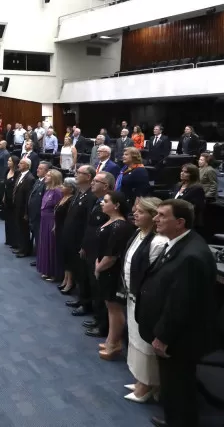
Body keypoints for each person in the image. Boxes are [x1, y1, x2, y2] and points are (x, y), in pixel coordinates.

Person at [137, 199, 216, 427]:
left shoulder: (191, 256)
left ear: (180, 222)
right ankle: (174, 420)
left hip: (179, 339)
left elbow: (181, 304)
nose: (155, 219)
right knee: (173, 387)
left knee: (179, 387)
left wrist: (162, 337)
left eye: (162, 215)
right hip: (175, 336)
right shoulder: (179, 242)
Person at [122, 197, 168, 403]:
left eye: (140, 212)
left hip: (145, 300)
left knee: (144, 343)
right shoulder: (138, 233)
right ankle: (140, 378)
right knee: (134, 339)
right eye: (134, 211)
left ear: (152, 216)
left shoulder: (158, 242)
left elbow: (153, 277)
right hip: (132, 295)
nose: (135, 215)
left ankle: (148, 384)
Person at [73, 170, 114, 340]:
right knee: (92, 284)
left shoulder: (109, 203)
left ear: (106, 186)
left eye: (96, 181)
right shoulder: (97, 200)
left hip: (100, 252)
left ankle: (103, 325)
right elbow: (90, 228)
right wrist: (84, 246)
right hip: (90, 249)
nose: (93, 184)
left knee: (100, 289)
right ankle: (97, 319)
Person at [95, 191, 133, 360]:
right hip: (104, 268)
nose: (102, 203)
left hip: (111, 271)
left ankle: (115, 343)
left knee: (114, 308)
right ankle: (111, 339)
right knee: (109, 306)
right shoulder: (110, 221)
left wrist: (99, 267)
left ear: (116, 205)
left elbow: (112, 255)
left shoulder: (120, 225)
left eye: (106, 201)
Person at [63, 166, 96, 303]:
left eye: (79, 173)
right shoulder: (79, 192)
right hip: (71, 238)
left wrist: (84, 244)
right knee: (75, 269)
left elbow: (89, 222)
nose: (75, 175)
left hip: (80, 240)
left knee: (82, 272)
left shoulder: (91, 196)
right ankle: (80, 298)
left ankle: (84, 302)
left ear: (88, 177)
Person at [37, 168, 64, 282]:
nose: (45, 177)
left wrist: (55, 224)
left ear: (54, 178)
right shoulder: (48, 189)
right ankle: (46, 269)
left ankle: (53, 273)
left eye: (48, 176)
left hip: (51, 221)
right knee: (44, 244)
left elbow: (59, 210)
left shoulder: (58, 192)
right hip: (44, 221)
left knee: (50, 246)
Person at [24, 162, 50, 261]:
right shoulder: (38, 181)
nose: (37, 170)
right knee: (36, 236)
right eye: (38, 168)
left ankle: (41, 259)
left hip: (39, 215)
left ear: (47, 171)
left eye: (41, 169)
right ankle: (39, 257)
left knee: (40, 238)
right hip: (33, 214)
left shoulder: (45, 184)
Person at [54, 177, 76, 293]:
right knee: (63, 255)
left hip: (66, 229)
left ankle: (70, 281)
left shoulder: (71, 200)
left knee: (68, 256)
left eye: (64, 185)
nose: (61, 186)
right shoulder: (63, 197)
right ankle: (65, 278)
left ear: (71, 189)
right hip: (59, 228)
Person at [12, 158, 36, 256]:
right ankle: (20, 246)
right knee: (19, 228)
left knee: (24, 229)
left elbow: (28, 197)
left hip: (23, 209)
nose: (18, 165)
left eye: (21, 163)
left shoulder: (30, 178)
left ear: (27, 165)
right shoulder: (19, 174)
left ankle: (25, 250)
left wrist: (26, 212)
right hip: (17, 206)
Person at [117, 147, 151, 212]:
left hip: (131, 203)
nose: (123, 156)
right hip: (123, 200)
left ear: (134, 156)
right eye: (123, 154)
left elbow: (142, 190)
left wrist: (136, 206)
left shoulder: (140, 170)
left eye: (126, 155)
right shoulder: (125, 168)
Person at [173, 164, 205, 230]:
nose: (182, 173)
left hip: (188, 221)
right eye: (182, 171)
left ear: (193, 174)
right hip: (175, 218)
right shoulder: (178, 185)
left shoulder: (197, 188)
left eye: (186, 172)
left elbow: (198, 207)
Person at [2, 155, 20, 246]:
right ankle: (8, 239)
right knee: (8, 219)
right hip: (7, 198)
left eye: (9, 161)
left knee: (14, 220)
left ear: (14, 162)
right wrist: (4, 196)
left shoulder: (17, 173)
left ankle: (15, 241)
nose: (8, 162)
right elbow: (5, 185)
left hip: (14, 199)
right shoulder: (7, 171)